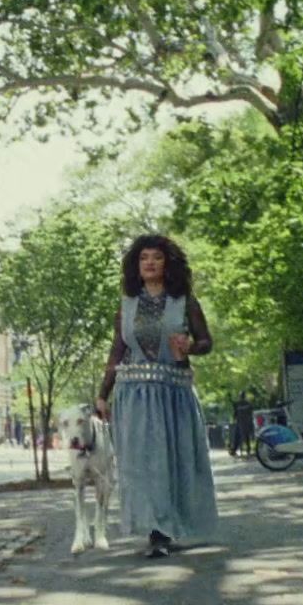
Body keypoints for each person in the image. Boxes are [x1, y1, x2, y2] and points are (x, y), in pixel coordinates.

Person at [96, 234, 219, 559]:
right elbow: (117, 352)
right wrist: (102, 395)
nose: (150, 263)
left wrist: (191, 347)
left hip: (174, 394)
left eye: (157, 257)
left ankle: (169, 525)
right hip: (134, 396)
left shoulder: (185, 302)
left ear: (168, 264)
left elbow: (206, 341)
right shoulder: (126, 307)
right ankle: (156, 532)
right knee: (143, 464)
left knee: (172, 461)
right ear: (136, 266)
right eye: (143, 258)